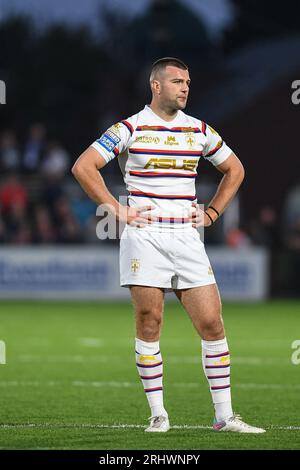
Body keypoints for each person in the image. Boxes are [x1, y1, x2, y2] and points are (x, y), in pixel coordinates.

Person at [72, 57, 265, 434]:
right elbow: (84, 166)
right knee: (150, 322)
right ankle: (158, 414)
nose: (185, 88)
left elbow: (235, 169)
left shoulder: (199, 130)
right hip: (145, 237)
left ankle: (224, 417)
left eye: (188, 82)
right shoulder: (131, 127)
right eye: (177, 81)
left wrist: (211, 214)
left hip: (187, 239)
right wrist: (116, 210)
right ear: (156, 86)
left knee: (212, 323)